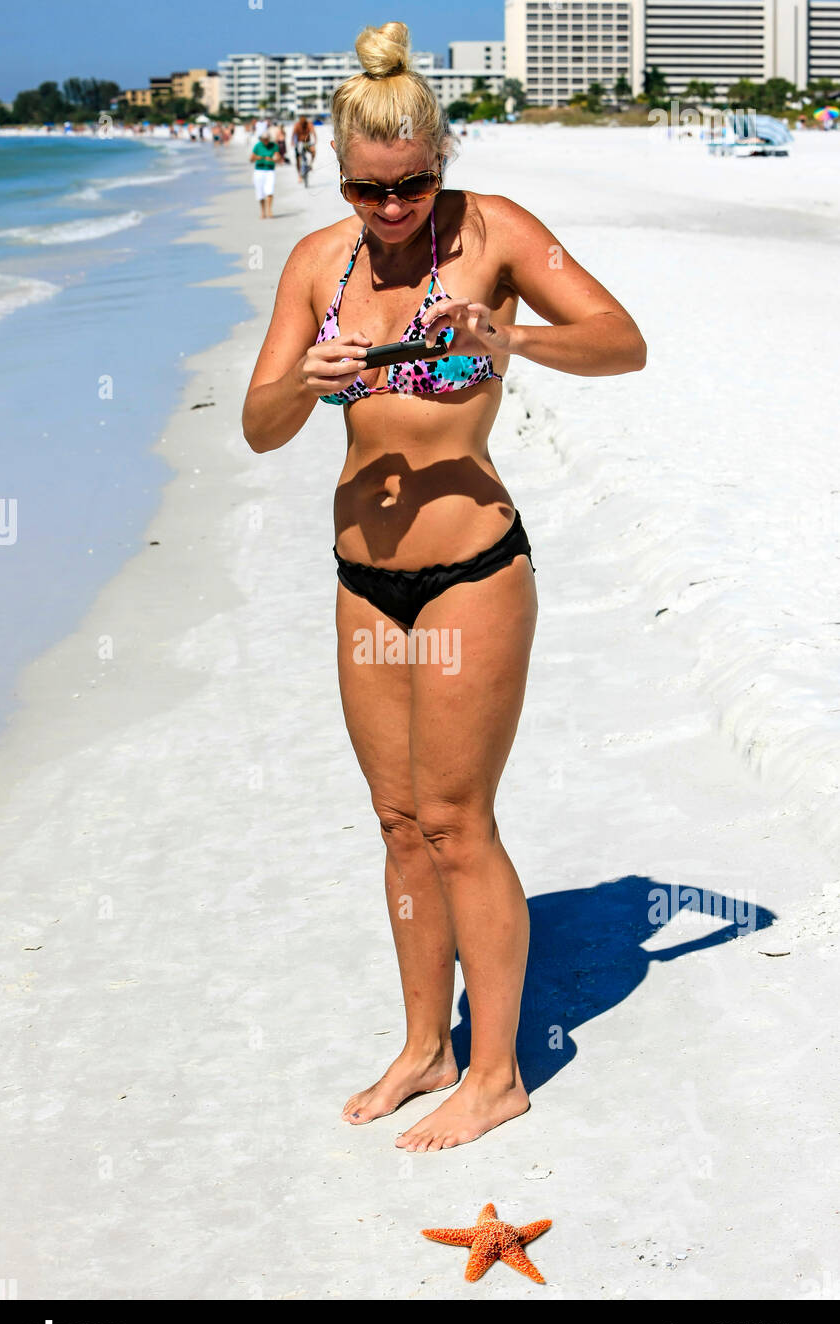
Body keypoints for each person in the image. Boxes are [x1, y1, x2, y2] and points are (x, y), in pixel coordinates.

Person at [241, 21, 646, 1152]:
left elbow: (621, 341)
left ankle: (496, 1071)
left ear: (439, 161)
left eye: (412, 183)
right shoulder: (318, 264)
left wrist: (510, 342)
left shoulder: (494, 235)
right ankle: (425, 1044)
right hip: (365, 588)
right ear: (338, 173)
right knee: (398, 824)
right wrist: (305, 384)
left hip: (473, 573)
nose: (393, 208)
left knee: (459, 821)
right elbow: (258, 425)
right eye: (370, 191)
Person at [249, 128, 283, 218]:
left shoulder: (274, 146)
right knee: (260, 193)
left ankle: (269, 210)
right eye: (264, 139)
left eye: (267, 139)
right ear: (261, 139)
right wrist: (257, 157)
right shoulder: (257, 146)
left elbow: (279, 159)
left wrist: (272, 159)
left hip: (270, 170)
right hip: (259, 171)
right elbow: (251, 159)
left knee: (270, 191)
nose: (265, 141)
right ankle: (262, 212)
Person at [292, 115, 317, 183]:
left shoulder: (308, 124)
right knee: (298, 159)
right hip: (299, 143)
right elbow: (293, 134)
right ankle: (299, 175)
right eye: (301, 122)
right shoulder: (297, 125)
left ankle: (310, 164)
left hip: (307, 143)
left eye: (304, 122)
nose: (303, 124)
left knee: (313, 151)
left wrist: (315, 140)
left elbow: (313, 132)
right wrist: (292, 142)